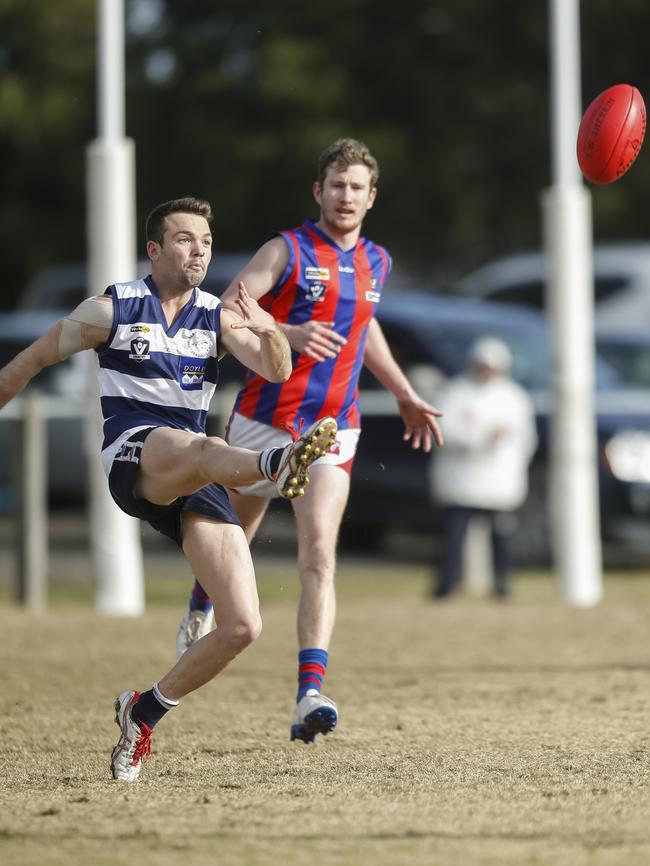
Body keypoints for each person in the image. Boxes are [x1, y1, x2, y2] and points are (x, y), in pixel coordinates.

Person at [0, 196, 338, 781]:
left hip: (193, 471)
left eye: (205, 241)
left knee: (241, 626)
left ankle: (144, 711)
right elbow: (27, 362)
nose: (199, 250)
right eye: (184, 240)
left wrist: (271, 330)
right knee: (204, 448)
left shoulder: (216, 315)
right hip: (136, 454)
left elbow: (277, 369)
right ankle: (277, 465)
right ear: (154, 250)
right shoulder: (112, 309)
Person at [175, 139, 444, 744]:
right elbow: (227, 311)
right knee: (234, 540)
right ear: (318, 192)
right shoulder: (287, 249)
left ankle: (309, 694)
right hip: (264, 423)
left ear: (371, 198)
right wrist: (287, 331)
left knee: (319, 553)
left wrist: (400, 390)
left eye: (357, 187)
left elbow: (363, 327)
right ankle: (202, 604)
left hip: (332, 429)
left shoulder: (379, 261)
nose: (346, 196)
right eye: (336, 185)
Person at [430, 336, 537, 599]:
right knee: (454, 537)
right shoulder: (455, 392)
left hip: (499, 482)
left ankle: (502, 584)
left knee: (502, 537)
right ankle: (446, 585)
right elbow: (444, 432)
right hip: (460, 481)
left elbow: (526, 440)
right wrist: (481, 438)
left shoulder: (514, 397)